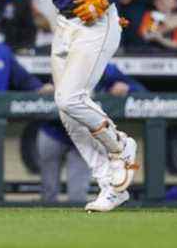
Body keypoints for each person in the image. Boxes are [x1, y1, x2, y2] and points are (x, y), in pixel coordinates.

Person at [2, 0, 149, 212]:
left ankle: (120, 147)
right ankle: (111, 185)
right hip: (65, 25)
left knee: (69, 98)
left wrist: (104, 0)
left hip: (96, 21)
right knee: (66, 111)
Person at [38, 63, 147, 204]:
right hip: (54, 131)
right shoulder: (68, 64)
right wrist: (43, 89)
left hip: (84, 137)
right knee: (48, 191)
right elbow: (37, 87)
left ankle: (75, 223)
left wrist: (128, 88)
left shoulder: (107, 70)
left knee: (77, 194)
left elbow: (142, 91)